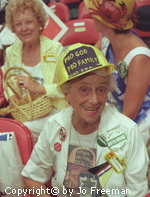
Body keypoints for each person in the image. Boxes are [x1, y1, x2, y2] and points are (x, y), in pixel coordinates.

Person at [22, 43, 148, 197]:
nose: (94, 100)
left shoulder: (128, 130)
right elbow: (32, 177)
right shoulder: (54, 125)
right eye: (84, 90)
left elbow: (138, 193)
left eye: (101, 89)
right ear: (67, 95)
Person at [83, 0, 150, 146]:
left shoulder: (139, 57)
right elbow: (86, 65)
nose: (90, 13)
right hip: (113, 112)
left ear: (105, 19)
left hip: (139, 125)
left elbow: (130, 115)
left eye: (94, 10)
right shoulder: (106, 39)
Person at [3, 0, 68, 144]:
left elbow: (66, 87)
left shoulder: (55, 49)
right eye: (18, 24)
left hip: (55, 110)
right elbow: (7, 86)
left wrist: (39, 88)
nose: (24, 28)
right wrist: (12, 98)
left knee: (18, 133)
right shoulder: (11, 52)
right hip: (26, 113)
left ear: (40, 22)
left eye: (29, 22)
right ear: (13, 27)